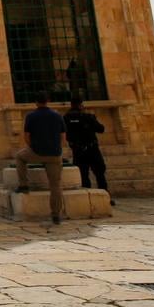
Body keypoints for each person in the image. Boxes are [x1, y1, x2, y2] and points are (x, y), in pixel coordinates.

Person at [14, 91, 67, 224]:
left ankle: (23, 184)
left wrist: (32, 148)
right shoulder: (57, 115)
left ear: (36, 102)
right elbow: (63, 137)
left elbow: (26, 136)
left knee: (19, 157)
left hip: (36, 152)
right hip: (54, 154)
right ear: (47, 100)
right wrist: (58, 149)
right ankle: (56, 214)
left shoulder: (31, 116)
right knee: (55, 185)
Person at [64, 95, 113, 204]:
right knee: (99, 173)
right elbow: (101, 129)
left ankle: (88, 200)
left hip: (78, 150)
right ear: (81, 105)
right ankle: (105, 197)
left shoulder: (66, 118)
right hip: (92, 149)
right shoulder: (88, 117)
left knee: (83, 175)